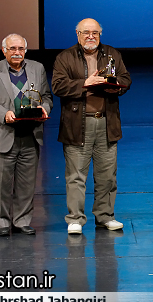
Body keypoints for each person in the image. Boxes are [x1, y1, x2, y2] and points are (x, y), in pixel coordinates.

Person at [51, 18, 132, 234]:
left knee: (107, 175)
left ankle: (105, 216)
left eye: (95, 33)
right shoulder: (65, 57)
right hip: (78, 124)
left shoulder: (112, 54)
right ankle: (75, 218)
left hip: (106, 122)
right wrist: (85, 83)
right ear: (77, 34)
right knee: (76, 175)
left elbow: (125, 78)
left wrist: (117, 87)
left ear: (100, 34)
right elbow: (58, 86)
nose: (91, 36)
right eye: (86, 32)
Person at [0, 34, 52, 236]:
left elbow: (46, 96)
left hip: (30, 134)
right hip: (4, 135)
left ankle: (21, 221)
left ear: (25, 50)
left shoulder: (37, 68)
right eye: (12, 49)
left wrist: (44, 108)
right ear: (4, 50)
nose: (17, 52)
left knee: (27, 183)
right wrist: (4, 114)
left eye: (21, 48)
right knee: (0, 184)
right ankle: (1, 222)